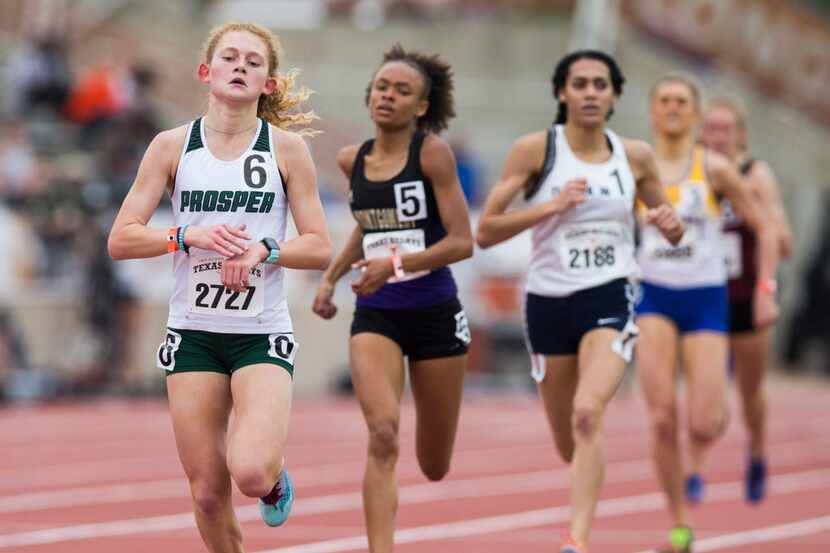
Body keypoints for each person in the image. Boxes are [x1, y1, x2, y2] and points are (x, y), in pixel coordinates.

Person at [108, 22, 331, 552]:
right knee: (208, 494)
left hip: (259, 332)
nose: (240, 66)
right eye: (229, 57)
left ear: (269, 84)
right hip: (193, 332)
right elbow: (121, 238)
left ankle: (275, 481)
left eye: (254, 62)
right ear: (206, 72)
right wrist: (187, 235)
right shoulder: (171, 146)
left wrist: (265, 250)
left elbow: (320, 245)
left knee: (249, 473)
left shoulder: (287, 149)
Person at [476, 50, 683, 553]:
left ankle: (577, 540)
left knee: (589, 411)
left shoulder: (633, 156)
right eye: (581, 84)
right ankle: (582, 496)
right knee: (569, 439)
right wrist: (551, 205)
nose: (590, 92)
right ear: (561, 93)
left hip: (609, 294)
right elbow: (486, 232)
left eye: (600, 84)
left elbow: (668, 221)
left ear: (613, 96)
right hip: (547, 302)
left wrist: (671, 225)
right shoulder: (534, 151)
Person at [312, 44, 473, 553]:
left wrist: (396, 265)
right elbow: (369, 225)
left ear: (421, 107)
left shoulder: (432, 154)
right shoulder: (350, 159)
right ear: (369, 96)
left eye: (402, 91)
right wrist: (330, 277)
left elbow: (461, 241)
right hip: (377, 315)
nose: (388, 96)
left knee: (434, 464)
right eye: (382, 87)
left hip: (435, 315)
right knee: (382, 434)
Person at [637, 75, 779, 553]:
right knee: (660, 420)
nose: (673, 108)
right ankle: (679, 526)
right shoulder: (636, 166)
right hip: (653, 295)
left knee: (702, 421)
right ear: (653, 111)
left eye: (682, 101)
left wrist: (764, 289)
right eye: (665, 100)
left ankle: (716, 435)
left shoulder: (715, 169)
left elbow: (764, 228)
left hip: (704, 298)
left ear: (694, 114)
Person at [700, 95, 793, 503]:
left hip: (747, 295)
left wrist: (761, 218)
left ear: (741, 134)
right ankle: (694, 473)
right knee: (706, 393)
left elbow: (784, 242)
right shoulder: (691, 172)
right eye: (711, 128)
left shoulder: (757, 174)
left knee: (750, 391)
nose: (717, 136)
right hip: (704, 295)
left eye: (725, 129)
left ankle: (756, 449)